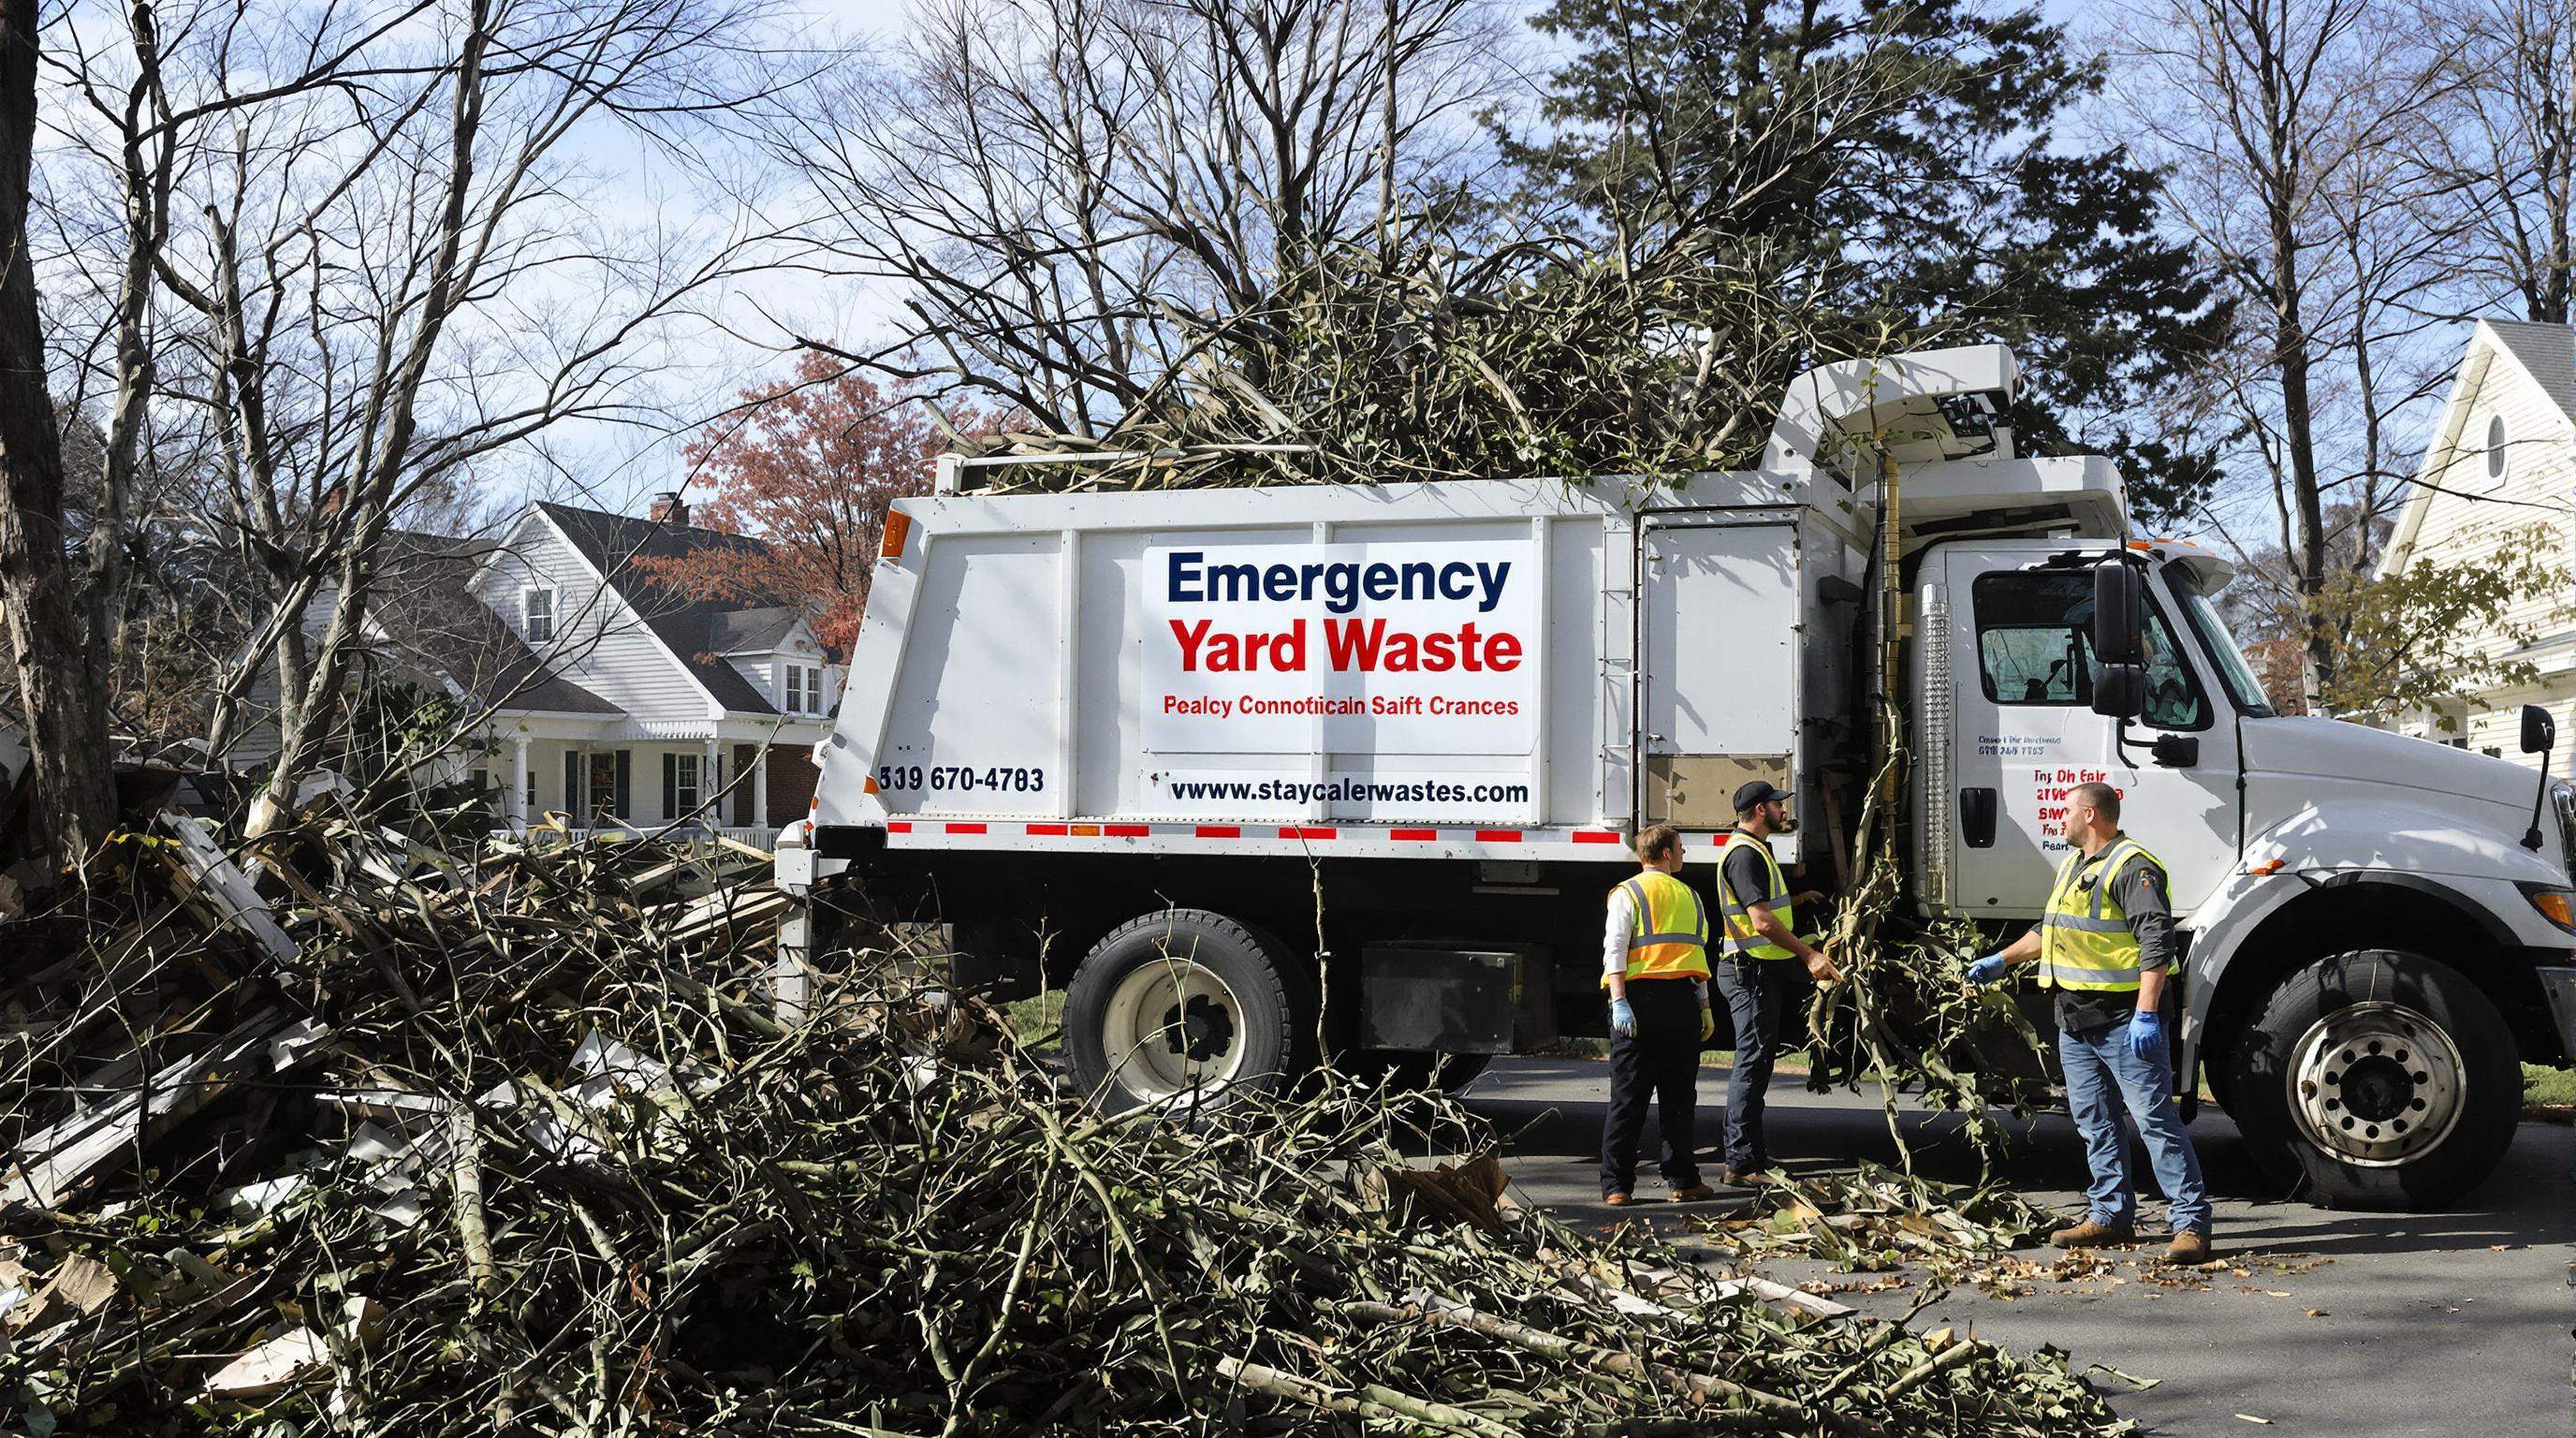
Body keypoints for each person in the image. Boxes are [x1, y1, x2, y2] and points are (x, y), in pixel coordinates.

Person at [1967, 780, 2213, 1262]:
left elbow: (2156, 944)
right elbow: (2051, 931)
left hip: (2124, 1020)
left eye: (2067, 811)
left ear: (2090, 815)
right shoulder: (2073, 865)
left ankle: (2190, 1226)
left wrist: (2146, 1014)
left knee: (2155, 1122)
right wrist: (2001, 960)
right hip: (2076, 1019)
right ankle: (2110, 1217)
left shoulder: (2133, 867)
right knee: (2095, 1121)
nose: (2061, 819)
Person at [1710, 781, 1840, 1185]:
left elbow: (1763, 907)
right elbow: (1762, 922)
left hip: (1756, 970)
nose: (1784, 811)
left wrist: (1798, 901)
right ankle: (1741, 1163)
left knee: (1757, 1062)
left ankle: (1750, 1156)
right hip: (1749, 971)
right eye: (1777, 805)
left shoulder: (1755, 849)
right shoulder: (1745, 854)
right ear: (1760, 810)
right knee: (1751, 1064)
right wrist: (1810, 955)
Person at [1599, 823, 1720, 1207]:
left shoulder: (1627, 893)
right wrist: (1703, 1006)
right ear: (1666, 853)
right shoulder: (1691, 896)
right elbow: (1697, 956)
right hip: (1680, 1003)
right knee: (1679, 1100)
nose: (1684, 853)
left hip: (1638, 1002)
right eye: (1680, 847)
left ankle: (1617, 1186)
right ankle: (1682, 1180)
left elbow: (1615, 949)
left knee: (1627, 1098)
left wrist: (1619, 1000)